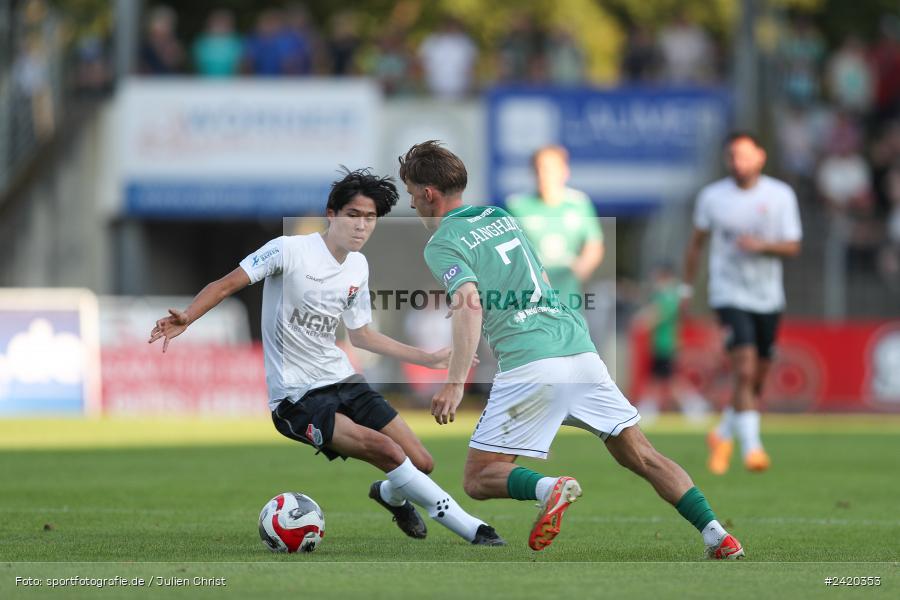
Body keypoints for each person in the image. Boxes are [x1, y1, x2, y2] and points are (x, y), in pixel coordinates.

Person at [399, 140, 744, 559]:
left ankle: (550, 488)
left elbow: (470, 301)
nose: (412, 204)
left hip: (531, 363)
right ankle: (717, 535)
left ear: (428, 194)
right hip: (579, 351)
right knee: (644, 456)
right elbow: (539, 273)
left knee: (479, 477)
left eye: (411, 193)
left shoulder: (440, 243)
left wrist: (455, 384)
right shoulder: (501, 216)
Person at [148, 168, 504, 547]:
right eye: (354, 215)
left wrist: (427, 356)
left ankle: (389, 495)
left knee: (421, 462)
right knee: (386, 450)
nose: (361, 226)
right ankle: (474, 530)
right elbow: (226, 284)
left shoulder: (358, 266)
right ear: (332, 214)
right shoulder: (289, 249)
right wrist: (188, 316)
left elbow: (361, 334)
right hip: (297, 397)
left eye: (370, 219)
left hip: (343, 379)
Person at [683, 132, 802, 475]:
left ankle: (721, 434)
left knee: (756, 379)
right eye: (733, 156)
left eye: (745, 156)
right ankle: (753, 449)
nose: (739, 163)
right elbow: (696, 244)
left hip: (767, 296)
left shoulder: (780, 195)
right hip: (729, 293)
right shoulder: (712, 197)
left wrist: (762, 245)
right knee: (745, 369)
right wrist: (686, 289)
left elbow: (793, 246)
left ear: (760, 157)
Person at [506, 145, 604, 311]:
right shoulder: (516, 206)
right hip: (530, 301)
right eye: (539, 169)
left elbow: (594, 244)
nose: (545, 175)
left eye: (551, 169)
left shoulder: (579, 204)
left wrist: (584, 265)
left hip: (569, 298)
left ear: (564, 171)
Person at [634, 263, 708, 422]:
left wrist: (642, 321)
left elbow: (658, 314)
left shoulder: (669, 294)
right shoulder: (668, 294)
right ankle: (691, 405)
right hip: (661, 343)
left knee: (666, 379)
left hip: (665, 344)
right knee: (665, 378)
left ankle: (691, 405)